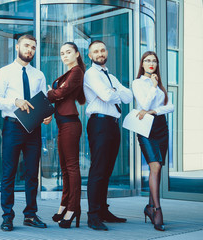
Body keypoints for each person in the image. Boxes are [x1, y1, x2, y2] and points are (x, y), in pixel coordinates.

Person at [0, 34, 52, 232]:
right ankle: (7, 217)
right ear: (17, 47)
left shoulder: (39, 75)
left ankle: (30, 215)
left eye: (33, 47)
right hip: (12, 126)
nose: (30, 50)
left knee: (32, 174)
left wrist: (46, 115)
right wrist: (15, 101)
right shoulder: (4, 72)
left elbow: (42, 101)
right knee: (9, 173)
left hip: (33, 129)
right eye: (26, 46)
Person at [83, 40, 133, 231]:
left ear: (106, 51)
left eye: (102, 49)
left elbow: (128, 97)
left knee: (107, 170)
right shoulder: (91, 74)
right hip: (99, 123)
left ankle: (103, 211)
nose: (100, 53)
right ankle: (93, 215)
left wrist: (114, 90)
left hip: (113, 124)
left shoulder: (110, 76)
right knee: (98, 170)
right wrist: (114, 91)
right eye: (95, 51)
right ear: (90, 55)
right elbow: (106, 96)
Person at [132, 51, 174, 231]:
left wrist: (155, 111)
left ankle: (150, 207)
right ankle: (157, 210)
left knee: (157, 168)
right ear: (142, 64)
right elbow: (144, 105)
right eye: (147, 60)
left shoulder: (161, 85)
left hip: (161, 127)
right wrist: (153, 87)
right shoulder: (138, 83)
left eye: (154, 61)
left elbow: (170, 107)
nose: (151, 63)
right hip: (145, 128)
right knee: (154, 166)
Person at [47, 42, 86, 228]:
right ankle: (64, 205)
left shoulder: (77, 71)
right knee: (64, 168)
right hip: (62, 123)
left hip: (71, 123)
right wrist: (56, 94)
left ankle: (73, 208)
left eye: (68, 52)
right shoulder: (68, 73)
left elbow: (62, 92)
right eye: (62, 53)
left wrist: (51, 93)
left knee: (71, 167)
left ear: (77, 54)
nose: (64, 56)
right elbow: (60, 93)